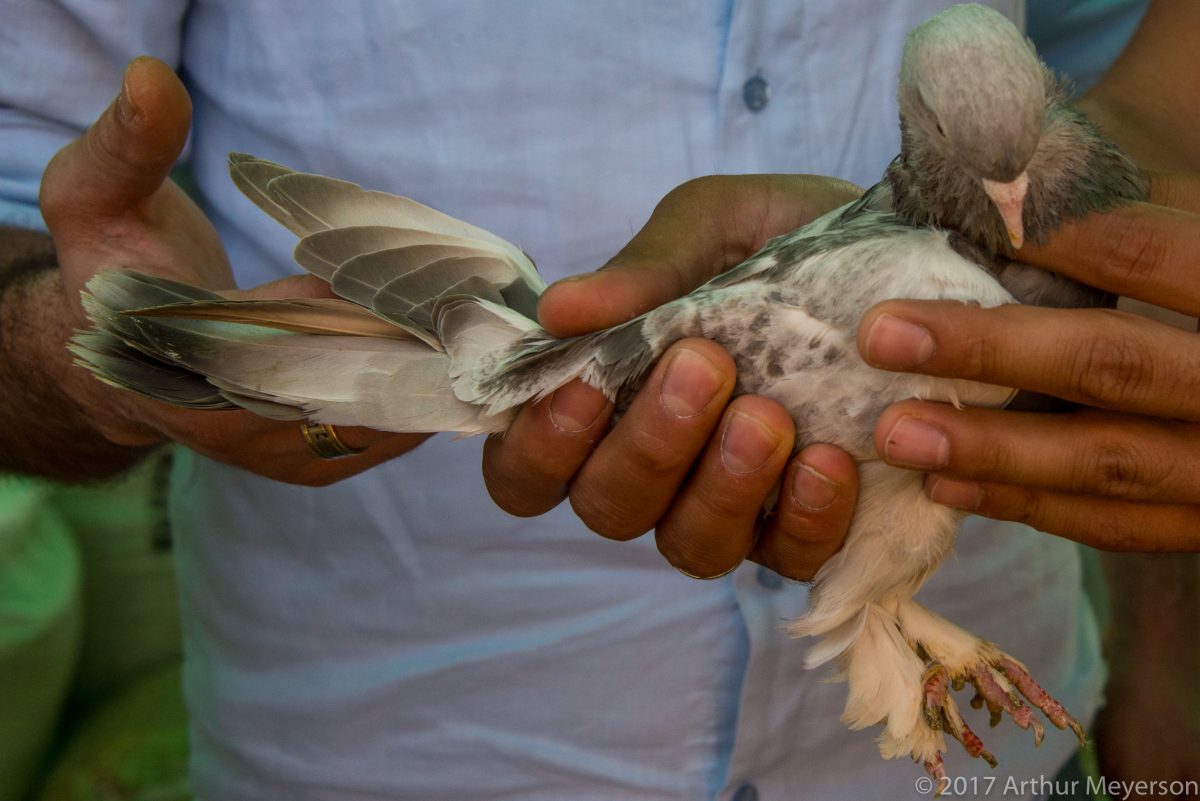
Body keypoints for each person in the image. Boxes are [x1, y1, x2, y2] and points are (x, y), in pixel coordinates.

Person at [0, 1, 1195, 798]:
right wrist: (83, 355)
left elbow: (1130, 63)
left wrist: (1172, 686)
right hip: (399, 759)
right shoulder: (915, 295)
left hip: (1005, 745)